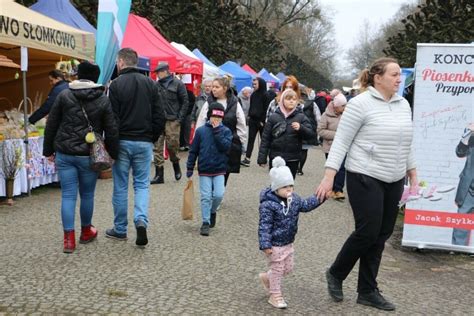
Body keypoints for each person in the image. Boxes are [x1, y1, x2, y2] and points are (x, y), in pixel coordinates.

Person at [316, 57, 418, 311]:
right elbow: (341, 142)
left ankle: (367, 290)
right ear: (378, 77)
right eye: (394, 74)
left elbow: (406, 141)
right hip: (365, 175)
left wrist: (412, 171)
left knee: (382, 234)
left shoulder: (403, 104)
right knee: (368, 231)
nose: (398, 79)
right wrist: (329, 176)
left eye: (399, 75)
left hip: (393, 178)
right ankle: (336, 273)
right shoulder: (359, 104)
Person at [43, 61, 119, 253]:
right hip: (88, 155)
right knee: (87, 194)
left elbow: (52, 124)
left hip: (65, 153)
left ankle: (69, 239)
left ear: (78, 75)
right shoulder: (102, 98)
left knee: (68, 195)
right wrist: (113, 153)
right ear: (96, 77)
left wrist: (47, 151)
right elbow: (111, 129)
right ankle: (86, 231)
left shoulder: (64, 94)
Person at [106, 48, 165, 246]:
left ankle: (120, 229)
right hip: (144, 141)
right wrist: (152, 137)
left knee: (121, 186)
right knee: (142, 184)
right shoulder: (151, 84)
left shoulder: (115, 85)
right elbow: (159, 116)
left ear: (121, 62)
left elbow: (111, 119)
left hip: (122, 140)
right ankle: (141, 220)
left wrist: (111, 145)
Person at [258, 157, 321, 309]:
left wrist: (321, 196)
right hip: (275, 243)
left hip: (288, 242)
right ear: (276, 188)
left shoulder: (295, 200)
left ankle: (268, 277)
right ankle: (275, 295)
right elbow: (264, 225)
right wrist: (265, 244)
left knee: (288, 268)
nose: (289, 190)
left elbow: (306, 205)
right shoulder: (268, 205)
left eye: (291, 186)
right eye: (285, 187)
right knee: (278, 269)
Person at [186, 102, 232, 236]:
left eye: (219, 118)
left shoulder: (226, 131)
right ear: (209, 116)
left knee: (218, 195)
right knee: (205, 196)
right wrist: (190, 167)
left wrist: (217, 131)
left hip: (219, 169)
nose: (216, 120)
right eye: (214, 117)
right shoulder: (201, 131)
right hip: (205, 169)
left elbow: (225, 147)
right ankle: (205, 222)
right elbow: (193, 151)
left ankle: (212, 211)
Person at [196, 77, 247, 186]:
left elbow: (241, 123)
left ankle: (219, 192)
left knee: (225, 170)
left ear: (225, 88)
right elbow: (201, 120)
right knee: (210, 169)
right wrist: (198, 140)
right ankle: (211, 193)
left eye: (216, 87)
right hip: (210, 141)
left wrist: (240, 141)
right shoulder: (208, 102)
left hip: (228, 142)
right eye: (213, 87)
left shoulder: (234, 103)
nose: (213, 89)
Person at [257, 89, 315, 178]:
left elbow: (311, 135)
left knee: (288, 183)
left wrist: (301, 128)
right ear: (282, 100)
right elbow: (266, 138)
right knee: (276, 183)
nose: (291, 101)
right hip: (276, 157)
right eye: (288, 99)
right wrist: (262, 158)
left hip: (293, 158)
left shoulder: (301, 117)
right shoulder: (274, 117)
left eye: (294, 99)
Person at [151, 62, 189, 184]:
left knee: (173, 145)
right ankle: (159, 174)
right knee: (157, 147)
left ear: (165, 71)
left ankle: (176, 165)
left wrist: (179, 119)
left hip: (173, 120)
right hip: (158, 120)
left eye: (158, 72)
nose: (157, 74)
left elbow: (185, 102)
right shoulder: (155, 85)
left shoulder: (178, 84)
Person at [317, 94, 347, 200]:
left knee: (342, 168)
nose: (345, 108)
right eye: (343, 106)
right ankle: (331, 188)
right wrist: (336, 135)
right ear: (336, 106)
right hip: (330, 146)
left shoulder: (346, 115)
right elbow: (320, 131)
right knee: (332, 168)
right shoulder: (326, 115)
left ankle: (338, 190)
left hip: (343, 146)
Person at [452, 123, 474, 246]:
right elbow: (459, 152)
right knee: (462, 220)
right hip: (469, 188)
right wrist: (468, 134)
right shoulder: (471, 135)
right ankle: (457, 249)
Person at [240, 77, 270, 167]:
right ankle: (247, 158)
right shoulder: (253, 94)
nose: (253, 86)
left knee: (264, 141)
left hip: (261, 121)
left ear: (260, 84)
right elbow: (252, 106)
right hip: (253, 120)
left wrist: (263, 120)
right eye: (253, 84)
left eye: (255, 84)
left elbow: (266, 109)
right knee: (250, 140)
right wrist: (249, 116)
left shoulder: (266, 95)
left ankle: (263, 159)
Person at [298, 86, 321, 175]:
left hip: (296, 128)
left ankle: (295, 167)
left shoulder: (294, 102)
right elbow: (318, 118)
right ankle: (300, 169)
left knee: (295, 149)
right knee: (304, 150)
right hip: (308, 129)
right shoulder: (313, 104)